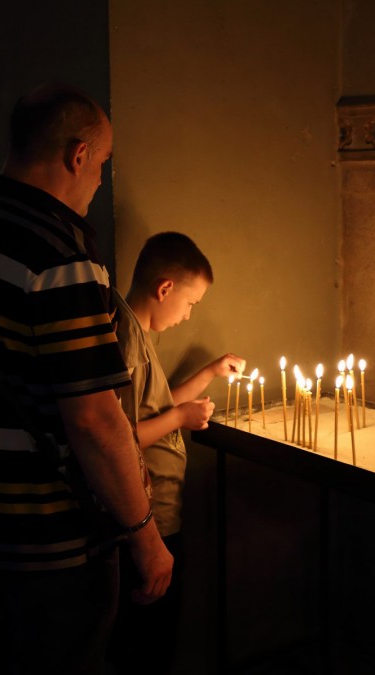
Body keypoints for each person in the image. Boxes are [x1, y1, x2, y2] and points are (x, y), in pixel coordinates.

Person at [0, 83, 172, 675]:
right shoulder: (61, 259)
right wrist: (145, 536)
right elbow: (93, 419)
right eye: (103, 163)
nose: (100, 180)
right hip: (48, 548)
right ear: (78, 154)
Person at [107, 231, 244, 674]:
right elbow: (119, 438)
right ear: (165, 288)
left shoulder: (139, 331)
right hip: (146, 521)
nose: (188, 316)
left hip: (161, 515)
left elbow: (157, 406)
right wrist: (181, 418)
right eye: (190, 303)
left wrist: (209, 373)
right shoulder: (126, 337)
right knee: (147, 646)